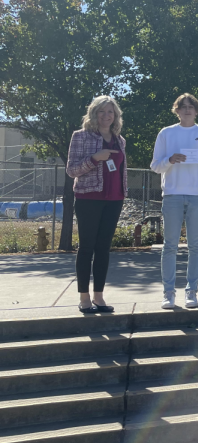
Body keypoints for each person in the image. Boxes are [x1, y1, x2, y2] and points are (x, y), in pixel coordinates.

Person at [151, 93, 198, 309]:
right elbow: (155, 166)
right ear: (176, 110)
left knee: (195, 246)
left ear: (197, 111)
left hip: (197, 196)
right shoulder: (166, 133)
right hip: (171, 195)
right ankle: (168, 293)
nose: (187, 110)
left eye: (191, 106)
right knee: (170, 245)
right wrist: (170, 160)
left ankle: (192, 291)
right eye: (183, 106)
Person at [66, 96, 128, 313]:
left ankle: (99, 297)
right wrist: (95, 158)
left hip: (114, 201)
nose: (106, 116)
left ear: (115, 116)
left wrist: (123, 193)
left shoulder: (119, 140)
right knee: (86, 248)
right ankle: (84, 297)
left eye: (110, 112)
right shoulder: (81, 137)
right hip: (88, 198)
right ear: (94, 113)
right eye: (102, 112)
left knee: (103, 249)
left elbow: (120, 170)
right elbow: (71, 170)